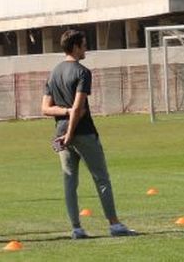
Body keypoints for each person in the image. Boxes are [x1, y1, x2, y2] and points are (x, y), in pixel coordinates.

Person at [41, 29, 136, 240]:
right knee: (101, 178)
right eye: (84, 45)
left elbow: (46, 109)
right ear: (75, 47)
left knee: (70, 182)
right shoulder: (82, 72)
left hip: (60, 132)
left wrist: (64, 124)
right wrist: (71, 130)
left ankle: (76, 228)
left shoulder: (54, 73)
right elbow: (77, 108)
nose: (86, 49)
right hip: (82, 132)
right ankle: (114, 224)